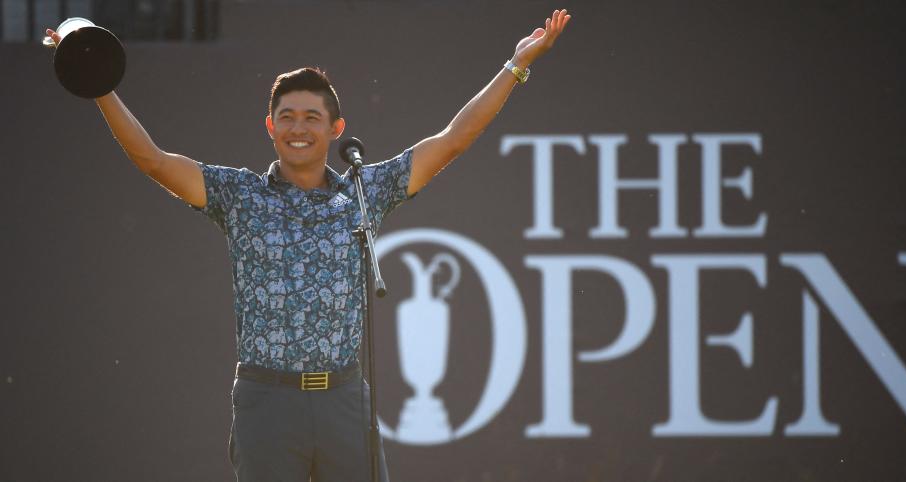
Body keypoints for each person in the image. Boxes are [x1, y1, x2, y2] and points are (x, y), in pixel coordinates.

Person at [47, 8, 571, 482]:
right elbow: (154, 160)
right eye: (288, 117)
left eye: (312, 118)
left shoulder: (366, 190)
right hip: (265, 402)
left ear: (336, 128)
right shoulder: (238, 194)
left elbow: (454, 138)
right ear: (270, 126)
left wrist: (515, 66)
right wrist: (99, 84)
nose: (299, 128)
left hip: (345, 400)